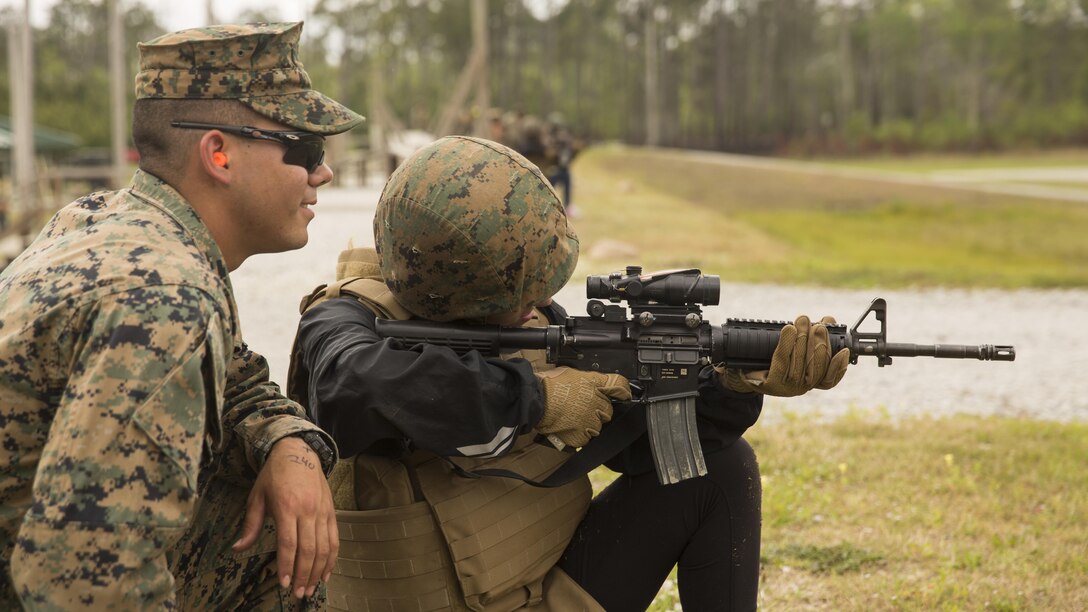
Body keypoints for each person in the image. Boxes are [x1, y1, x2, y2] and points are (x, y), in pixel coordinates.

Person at [288, 136, 849, 611]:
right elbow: (353, 388)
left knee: (720, 467)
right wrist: (539, 403)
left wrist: (731, 385)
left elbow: (639, 445)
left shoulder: (528, 323)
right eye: (522, 293)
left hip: (542, 592)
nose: (540, 304)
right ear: (460, 293)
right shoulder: (344, 323)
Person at [0, 22, 363, 609]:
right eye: (306, 150)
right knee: (275, 539)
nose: (322, 173)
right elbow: (86, 585)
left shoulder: (109, 223)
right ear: (218, 154)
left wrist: (289, 446)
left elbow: (237, 378)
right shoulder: (165, 296)